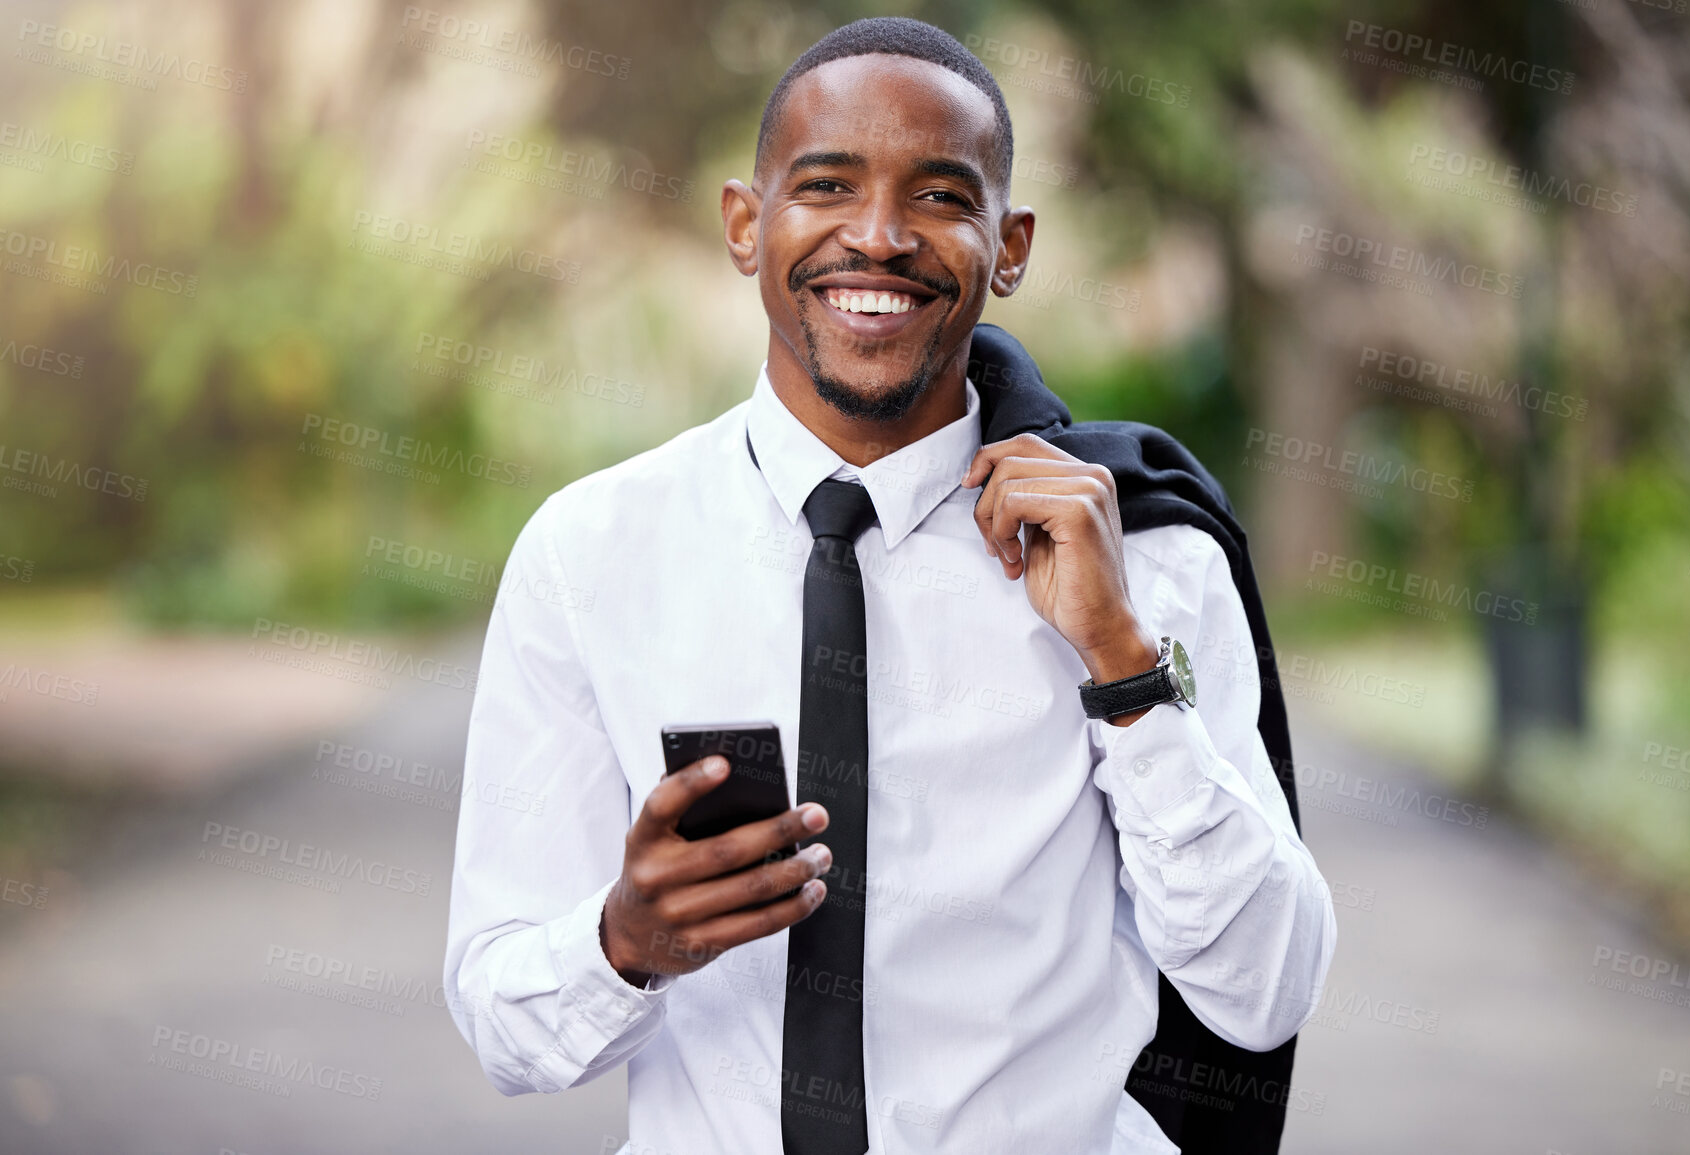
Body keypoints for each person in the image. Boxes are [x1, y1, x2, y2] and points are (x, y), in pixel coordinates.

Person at [444, 16, 1335, 1154]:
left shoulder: (1143, 557)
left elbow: (1265, 994)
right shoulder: (590, 555)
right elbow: (500, 1019)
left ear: (1007, 246)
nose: (878, 237)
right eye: (825, 185)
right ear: (744, 224)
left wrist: (1121, 667)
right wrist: (627, 944)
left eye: (939, 197)